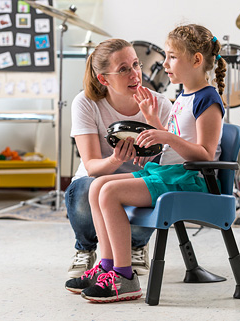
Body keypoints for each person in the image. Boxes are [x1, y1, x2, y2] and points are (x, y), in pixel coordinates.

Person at [67, 23, 227, 303]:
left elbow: (204, 154)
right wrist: (153, 121)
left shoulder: (208, 99)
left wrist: (163, 133)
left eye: (171, 57)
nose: (163, 64)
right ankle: (105, 267)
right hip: (170, 173)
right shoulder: (183, 97)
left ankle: (125, 276)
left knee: (110, 192)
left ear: (196, 60)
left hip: (188, 179)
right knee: (97, 187)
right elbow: (176, 138)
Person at [65, 39, 172, 279]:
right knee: (86, 188)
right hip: (97, 178)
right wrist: (115, 160)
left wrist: (154, 134)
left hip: (136, 181)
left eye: (136, 64)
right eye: (124, 69)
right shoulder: (86, 103)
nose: (135, 74)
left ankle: (136, 246)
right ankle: (85, 248)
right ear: (103, 79)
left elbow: (170, 161)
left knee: (155, 187)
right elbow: (92, 166)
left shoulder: (161, 104)